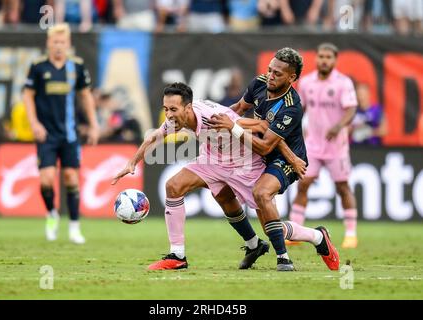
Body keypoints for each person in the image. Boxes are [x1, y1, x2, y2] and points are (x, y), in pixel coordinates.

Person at [112, 82, 339, 271]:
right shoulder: (176, 120)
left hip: (244, 166)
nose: (169, 115)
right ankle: (178, 256)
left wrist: (291, 157)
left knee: (271, 226)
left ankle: (317, 237)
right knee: (174, 186)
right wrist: (132, 162)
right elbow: (154, 138)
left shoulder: (213, 117)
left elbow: (262, 126)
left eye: (173, 109)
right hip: (213, 160)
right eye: (166, 109)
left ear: (188, 108)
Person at [211, 47, 338, 271]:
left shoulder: (291, 107)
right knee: (226, 193)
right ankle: (317, 237)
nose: (270, 76)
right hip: (257, 152)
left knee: (262, 193)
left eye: (277, 73)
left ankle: (283, 258)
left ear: (292, 78)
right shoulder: (259, 83)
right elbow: (239, 108)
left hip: (285, 160)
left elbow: (266, 145)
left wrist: (232, 128)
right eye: (270, 70)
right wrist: (211, 120)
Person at [23, 23, 99, 244]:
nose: (58, 46)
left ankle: (74, 226)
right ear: (48, 44)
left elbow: (85, 96)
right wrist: (34, 123)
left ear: (68, 44)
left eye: (62, 42)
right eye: (55, 42)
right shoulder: (38, 67)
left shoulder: (76, 66)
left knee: (70, 178)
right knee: (46, 179)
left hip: (69, 134)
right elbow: (28, 96)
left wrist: (94, 124)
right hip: (45, 133)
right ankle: (51, 214)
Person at [287, 43, 359, 249]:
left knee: (342, 187)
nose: (324, 60)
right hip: (313, 146)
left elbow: (351, 109)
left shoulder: (343, 83)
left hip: (337, 147)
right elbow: (300, 109)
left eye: (328, 57)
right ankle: (295, 232)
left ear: (335, 60)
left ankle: (351, 234)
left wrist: (338, 126)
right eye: (321, 56)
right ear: (316, 58)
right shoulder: (307, 82)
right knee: (303, 184)